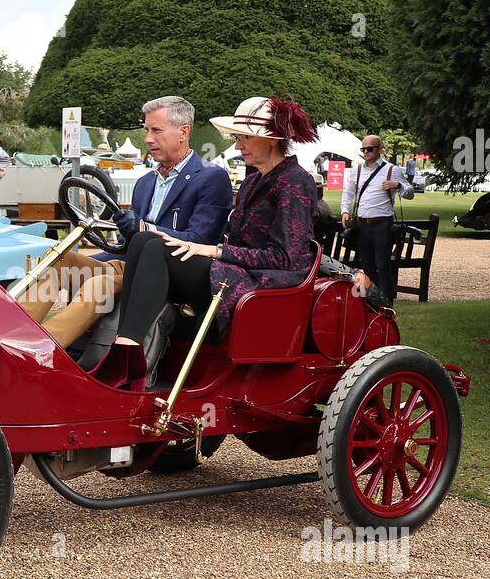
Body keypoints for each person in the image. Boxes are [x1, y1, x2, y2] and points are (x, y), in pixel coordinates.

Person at [92, 96, 320, 391]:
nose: (238, 145)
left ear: (272, 140)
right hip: (235, 273)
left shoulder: (295, 181)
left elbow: (285, 258)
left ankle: (125, 356)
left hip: (266, 283)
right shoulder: (253, 181)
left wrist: (215, 250)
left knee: (152, 242)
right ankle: (127, 348)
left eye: (245, 138)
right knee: (145, 239)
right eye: (238, 138)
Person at [19, 95, 231, 348]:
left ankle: (40, 350)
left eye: (156, 131)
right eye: (147, 130)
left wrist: (144, 228)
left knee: (99, 283)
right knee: (57, 260)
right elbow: (123, 246)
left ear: (183, 132)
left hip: (166, 276)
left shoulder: (211, 178)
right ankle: (13, 336)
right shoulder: (144, 184)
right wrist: (101, 253)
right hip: (128, 266)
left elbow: (200, 240)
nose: (148, 139)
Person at [340, 133, 414, 304]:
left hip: (382, 224)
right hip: (362, 224)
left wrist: (398, 185)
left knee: (382, 265)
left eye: (370, 149)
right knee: (365, 265)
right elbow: (348, 192)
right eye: (363, 149)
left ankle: (386, 302)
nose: (366, 152)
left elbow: (410, 193)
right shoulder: (357, 170)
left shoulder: (391, 170)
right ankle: (368, 301)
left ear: (380, 149)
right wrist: (344, 211)